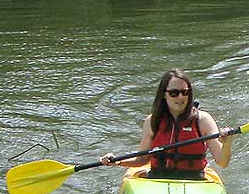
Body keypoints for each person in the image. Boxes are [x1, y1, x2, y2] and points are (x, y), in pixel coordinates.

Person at [100, 69, 233, 179]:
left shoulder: (203, 120)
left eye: (185, 92)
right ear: (164, 95)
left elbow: (222, 162)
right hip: (157, 178)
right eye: (174, 93)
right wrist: (116, 161)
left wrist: (227, 144)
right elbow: (141, 160)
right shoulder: (153, 121)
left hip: (194, 179)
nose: (180, 97)